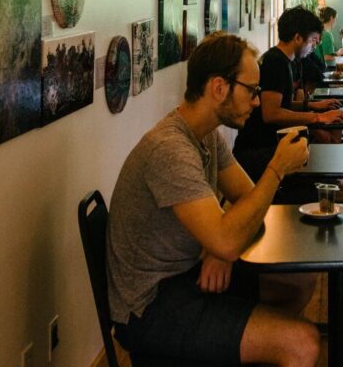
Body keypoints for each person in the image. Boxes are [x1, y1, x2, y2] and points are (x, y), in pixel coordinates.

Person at [106, 33, 320, 367]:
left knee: (298, 284)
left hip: (187, 274)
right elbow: (232, 232)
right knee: (302, 344)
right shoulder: (170, 149)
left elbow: (247, 198)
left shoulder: (206, 136)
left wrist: (217, 249)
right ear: (219, 88)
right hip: (150, 305)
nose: (256, 101)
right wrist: (277, 168)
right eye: (251, 90)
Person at [233, 8, 343, 200]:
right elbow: (271, 113)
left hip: (268, 145)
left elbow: (282, 104)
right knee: (320, 175)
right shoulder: (275, 63)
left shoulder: (286, 61)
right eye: (312, 40)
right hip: (257, 151)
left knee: (323, 161)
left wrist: (311, 106)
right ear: (297, 38)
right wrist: (317, 117)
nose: (313, 46)